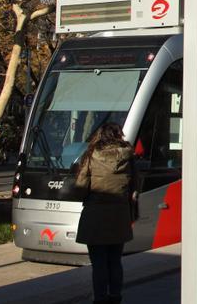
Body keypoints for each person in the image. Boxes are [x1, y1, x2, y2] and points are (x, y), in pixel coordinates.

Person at [75, 123, 137, 304]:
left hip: (95, 216)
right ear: (119, 135)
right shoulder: (129, 156)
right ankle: (115, 296)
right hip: (119, 215)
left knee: (99, 262)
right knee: (115, 260)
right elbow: (135, 186)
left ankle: (100, 298)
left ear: (100, 135)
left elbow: (80, 187)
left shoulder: (91, 156)